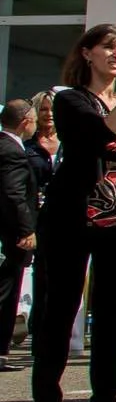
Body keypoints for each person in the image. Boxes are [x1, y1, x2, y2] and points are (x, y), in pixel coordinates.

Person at [30, 24, 116, 402]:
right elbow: (108, 133)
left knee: (111, 311)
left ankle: (106, 399)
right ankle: (46, 400)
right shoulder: (69, 100)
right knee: (61, 306)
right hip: (72, 217)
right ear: (87, 53)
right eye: (109, 47)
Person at [0, 99, 38, 371]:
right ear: (25, 121)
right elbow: (13, 193)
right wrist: (27, 229)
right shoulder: (11, 151)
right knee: (5, 292)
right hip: (11, 234)